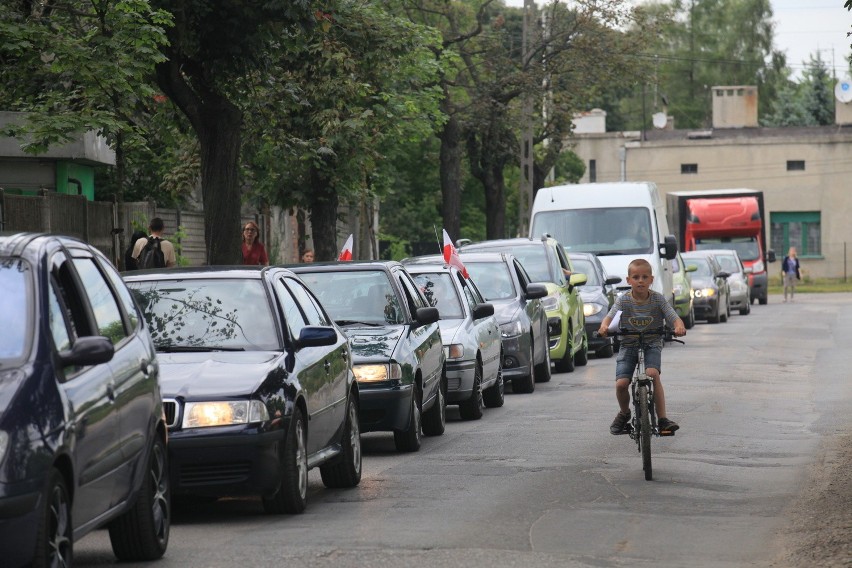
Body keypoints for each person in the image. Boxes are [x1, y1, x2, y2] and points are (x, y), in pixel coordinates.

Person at [598, 259, 686, 435]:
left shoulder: (658, 299)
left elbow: (673, 317)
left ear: (651, 279)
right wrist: (604, 328)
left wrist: (678, 326)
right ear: (628, 280)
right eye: (636, 277)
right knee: (621, 384)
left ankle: (662, 420)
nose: (640, 280)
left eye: (645, 277)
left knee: (653, 374)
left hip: (652, 343)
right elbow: (609, 318)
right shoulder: (623, 301)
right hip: (628, 345)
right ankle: (624, 414)